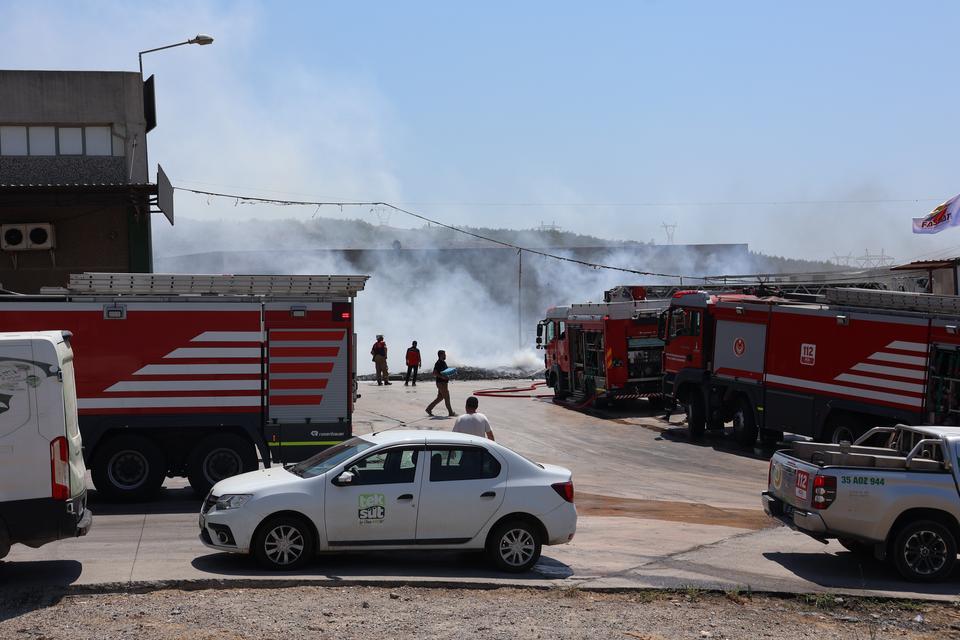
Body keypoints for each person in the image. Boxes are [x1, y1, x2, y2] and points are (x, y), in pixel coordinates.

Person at [426, 349, 456, 417]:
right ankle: (451, 412)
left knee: (440, 398)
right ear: (440, 355)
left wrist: (450, 373)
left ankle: (429, 409)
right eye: (444, 354)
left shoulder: (444, 362)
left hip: (444, 383)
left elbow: (445, 371)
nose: (445, 355)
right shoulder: (438, 363)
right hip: (441, 383)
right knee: (447, 397)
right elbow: (434, 373)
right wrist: (442, 377)